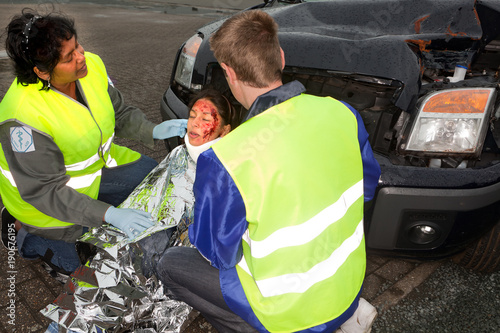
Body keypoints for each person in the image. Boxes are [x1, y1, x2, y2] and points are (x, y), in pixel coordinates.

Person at [155, 10, 382, 333]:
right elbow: (367, 188)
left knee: (171, 265)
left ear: (227, 72)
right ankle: (348, 318)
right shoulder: (342, 112)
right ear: (281, 57)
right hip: (346, 287)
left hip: (289, 313)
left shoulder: (226, 158)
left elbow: (217, 253)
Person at [0, 9, 187, 276]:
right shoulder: (22, 118)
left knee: (150, 174)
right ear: (42, 72)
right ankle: (21, 233)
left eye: (78, 46)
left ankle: (93, 217)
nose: (81, 57)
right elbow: (46, 192)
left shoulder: (91, 67)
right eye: (69, 57)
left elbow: (118, 112)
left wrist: (153, 129)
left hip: (89, 173)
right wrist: (109, 214)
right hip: (44, 204)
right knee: (85, 269)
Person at [42, 88, 243, 333]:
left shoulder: (231, 168)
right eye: (192, 115)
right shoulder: (179, 154)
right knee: (104, 270)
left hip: (171, 255)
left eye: (205, 119)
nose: (195, 124)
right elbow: (148, 196)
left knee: (129, 293)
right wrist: (120, 220)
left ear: (226, 130)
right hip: (140, 238)